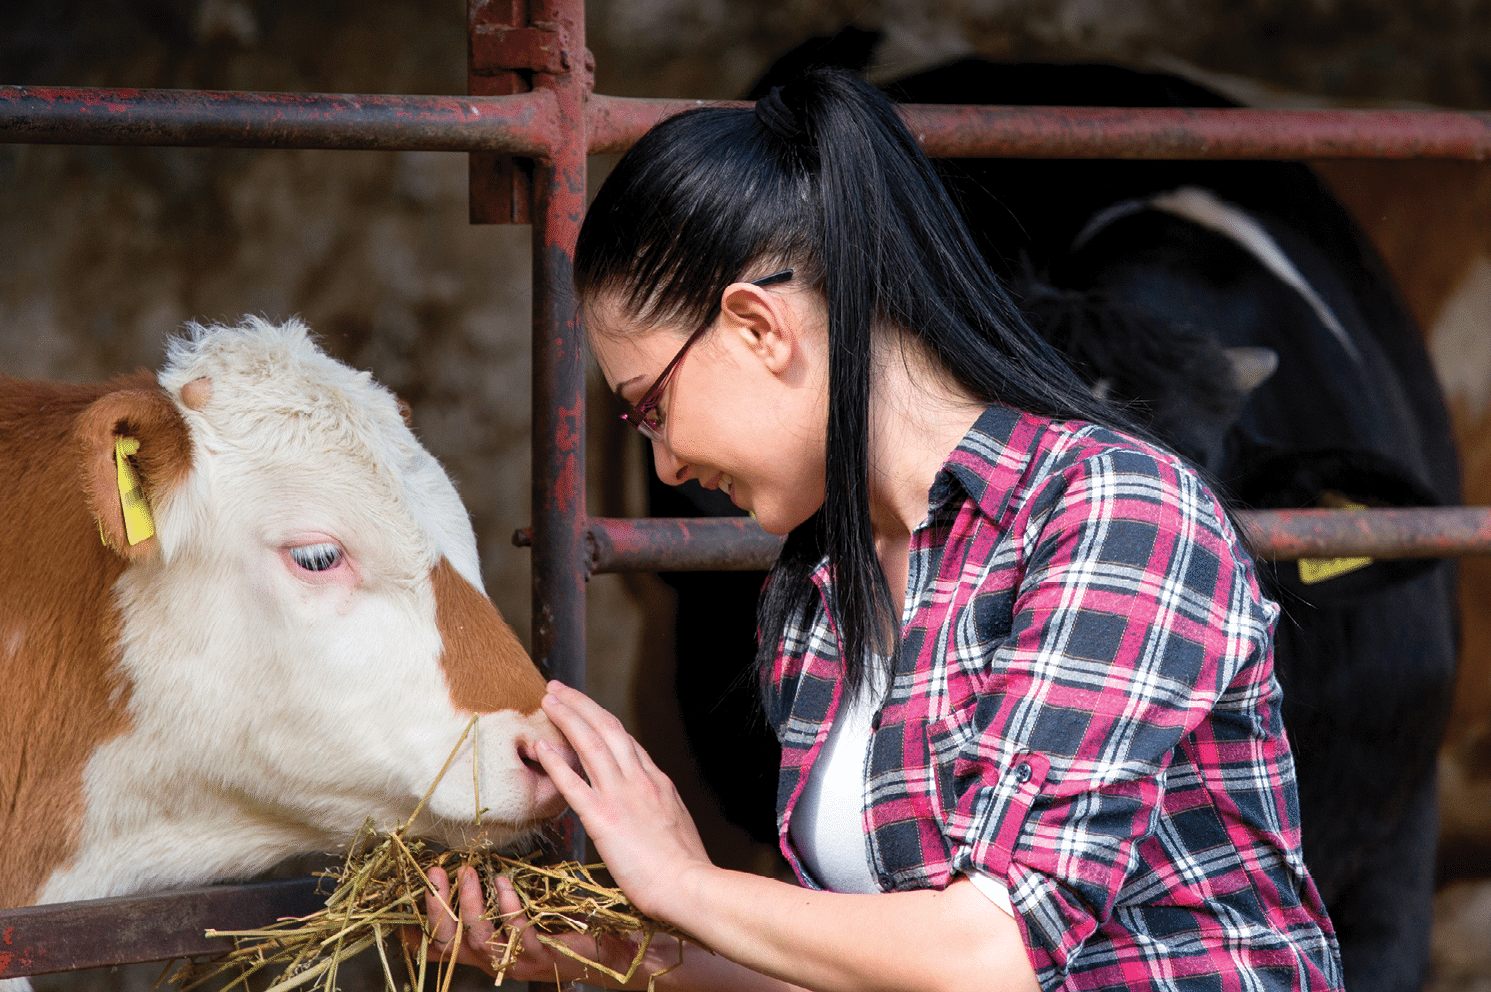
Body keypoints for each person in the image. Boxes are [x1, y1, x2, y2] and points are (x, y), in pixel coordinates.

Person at [421, 66, 1343, 991]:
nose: (665, 468)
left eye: (649, 407)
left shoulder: (1114, 510)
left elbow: (993, 953)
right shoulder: (818, 598)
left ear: (756, 327)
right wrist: (606, 954)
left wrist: (682, 884)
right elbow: (860, 972)